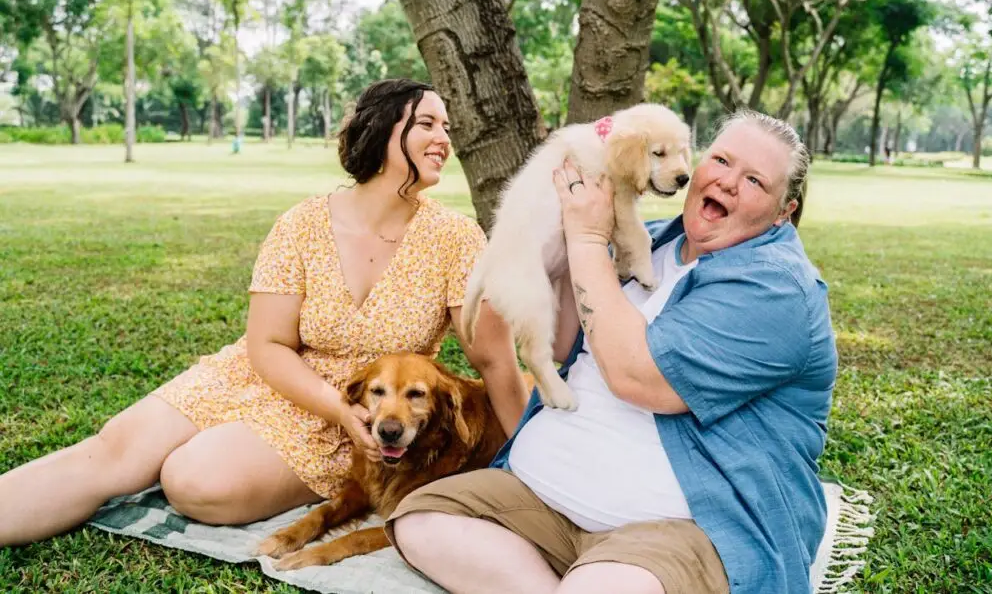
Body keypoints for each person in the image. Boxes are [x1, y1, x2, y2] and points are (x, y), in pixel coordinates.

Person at [0, 78, 528, 547]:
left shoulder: (455, 238)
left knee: (191, 480)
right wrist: (333, 404)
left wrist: (528, 458)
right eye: (428, 124)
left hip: (363, 414)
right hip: (263, 376)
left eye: (447, 127)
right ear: (382, 131)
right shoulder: (300, 224)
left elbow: (497, 361)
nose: (445, 139)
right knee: (114, 451)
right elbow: (267, 344)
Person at [386, 111, 838, 594]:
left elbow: (636, 377)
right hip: (544, 497)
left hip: (677, 526)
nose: (727, 182)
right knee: (420, 519)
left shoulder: (777, 289)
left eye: (753, 180)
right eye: (722, 160)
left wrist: (587, 240)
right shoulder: (659, 242)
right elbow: (571, 343)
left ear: (784, 211)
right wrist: (557, 247)